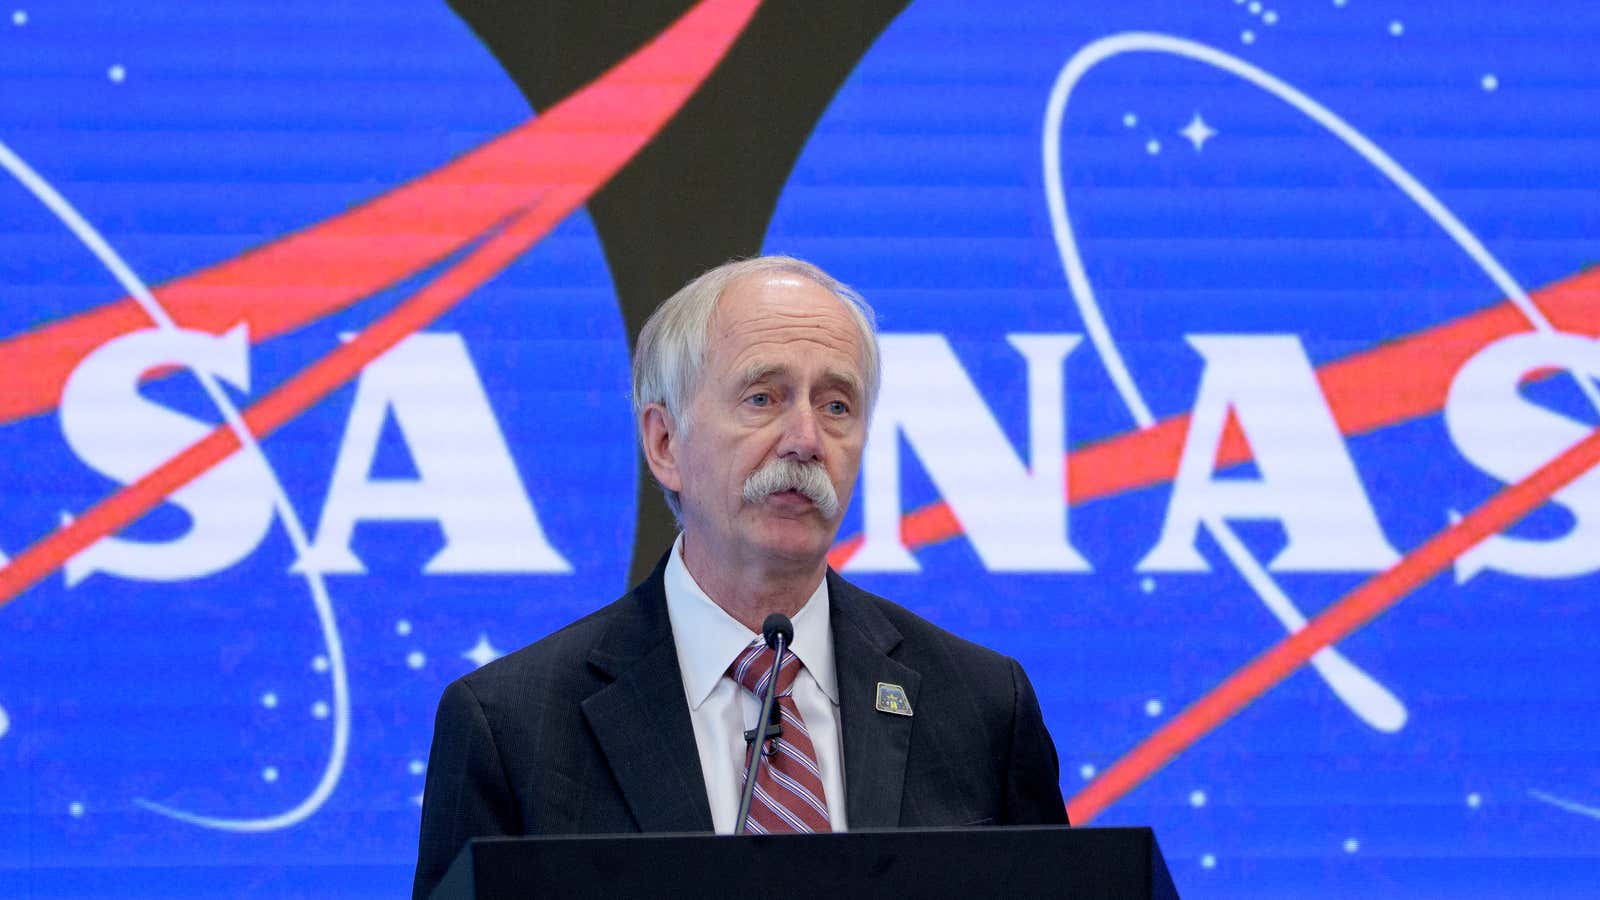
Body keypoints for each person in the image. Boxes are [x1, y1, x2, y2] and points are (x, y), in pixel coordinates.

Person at [412, 256, 1067, 897]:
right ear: (665, 443)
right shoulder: (512, 727)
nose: (806, 438)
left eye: (837, 404)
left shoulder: (981, 707)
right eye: (763, 397)